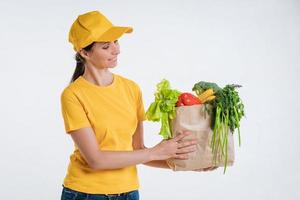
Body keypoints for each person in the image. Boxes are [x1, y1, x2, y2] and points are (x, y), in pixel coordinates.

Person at [60, 10, 201, 200]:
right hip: (86, 194)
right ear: (84, 52)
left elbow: (138, 152)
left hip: (129, 193)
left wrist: (190, 164)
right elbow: (96, 160)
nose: (117, 50)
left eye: (116, 42)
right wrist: (154, 152)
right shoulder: (73, 95)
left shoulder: (131, 88)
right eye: (105, 46)